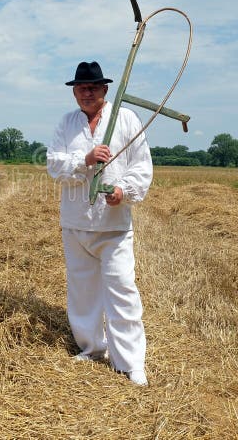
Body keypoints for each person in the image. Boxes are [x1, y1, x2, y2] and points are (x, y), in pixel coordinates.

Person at [46, 61, 153, 386]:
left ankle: (130, 363)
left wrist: (124, 190)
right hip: (76, 224)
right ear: (75, 92)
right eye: (81, 88)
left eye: (93, 87)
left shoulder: (126, 119)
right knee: (82, 291)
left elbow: (141, 166)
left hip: (113, 226)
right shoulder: (67, 124)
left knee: (121, 289)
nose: (87, 92)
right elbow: (54, 164)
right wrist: (85, 159)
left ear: (105, 89)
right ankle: (92, 348)